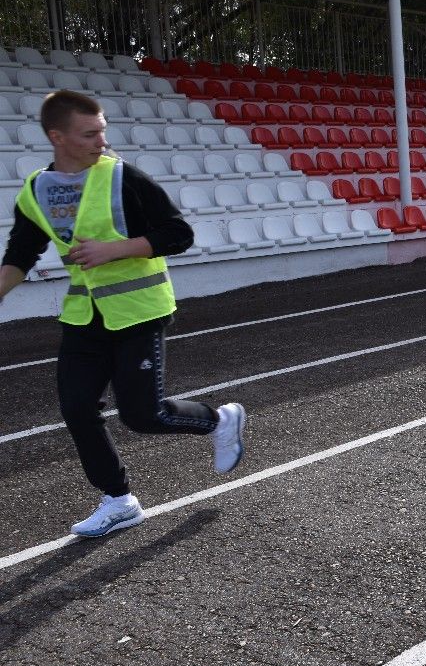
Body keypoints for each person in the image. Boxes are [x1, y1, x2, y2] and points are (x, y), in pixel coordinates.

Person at [0, 90, 246, 539]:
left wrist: (115, 250)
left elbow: (178, 233)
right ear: (58, 137)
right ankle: (119, 499)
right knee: (76, 409)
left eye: (103, 131)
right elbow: (21, 253)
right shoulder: (37, 189)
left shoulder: (123, 177)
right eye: (89, 133)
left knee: (142, 415)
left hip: (139, 311)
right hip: (83, 318)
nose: (101, 140)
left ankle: (219, 420)